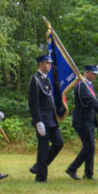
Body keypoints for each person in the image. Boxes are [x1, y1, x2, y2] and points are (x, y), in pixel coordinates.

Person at [29, 53, 66, 183]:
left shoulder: (46, 79)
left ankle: (38, 167)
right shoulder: (35, 80)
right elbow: (33, 103)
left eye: (50, 63)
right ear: (40, 64)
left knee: (58, 143)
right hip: (42, 120)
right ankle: (41, 177)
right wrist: (38, 121)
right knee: (43, 148)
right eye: (47, 63)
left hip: (51, 119)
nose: (49, 66)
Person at [66, 64, 98, 180]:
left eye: (96, 74)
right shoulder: (81, 86)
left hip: (89, 121)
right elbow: (90, 101)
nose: (95, 76)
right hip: (82, 120)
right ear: (86, 72)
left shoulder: (89, 85)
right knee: (89, 146)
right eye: (93, 73)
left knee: (91, 147)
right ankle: (72, 168)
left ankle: (88, 174)